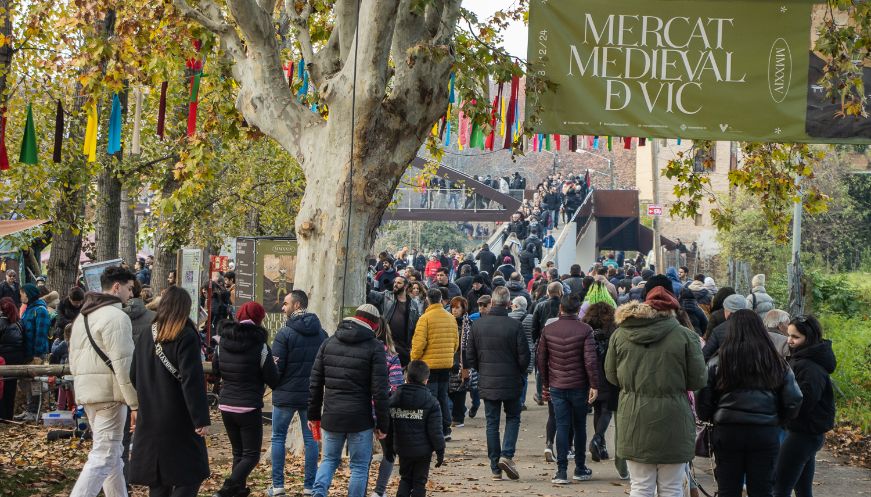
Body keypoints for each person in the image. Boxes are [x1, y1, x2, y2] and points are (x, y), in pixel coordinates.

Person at [605, 284, 706, 497]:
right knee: (672, 487)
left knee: (640, 486)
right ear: (672, 310)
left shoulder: (620, 335)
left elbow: (611, 376)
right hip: (674, 419)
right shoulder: (686, 337)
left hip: (633, 417)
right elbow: (698, 380)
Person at [696, 310, 803, 497]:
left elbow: (703, 398)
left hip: (727, 431)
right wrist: (779, 419)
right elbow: (794, 399)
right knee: (762, 489)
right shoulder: (776, 362)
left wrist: (712, 416)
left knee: (728, 489)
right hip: (765, 432)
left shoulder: (718, 361)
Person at [129, 286, 210, 497]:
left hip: (150, 415)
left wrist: (149, 394)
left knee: (158, 478)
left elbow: (133, 374)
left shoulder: (147, 333)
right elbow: (192, 380)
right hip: (179, 416)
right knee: (191, 472)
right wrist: (200, 418)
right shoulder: (186, 334)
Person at [68, 266, 139, 497]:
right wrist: (135, 403)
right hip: (109, 396)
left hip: (88, 393)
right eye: (129, 289)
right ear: (116, 287)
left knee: (112, 455)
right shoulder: (117, 317)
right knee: (104, 456)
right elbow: (123, 364)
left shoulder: (83, 317)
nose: (131, 294)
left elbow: (74, 359)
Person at [308, 304, 390, 497]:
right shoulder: (375, 348)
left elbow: (315, 383)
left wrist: (313, 415)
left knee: (328, 460)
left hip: (331, 415)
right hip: (360, 419)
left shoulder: (328, 343)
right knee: (359, 467)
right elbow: (380, 391)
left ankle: (318, 494)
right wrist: (382, 424)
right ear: (375, 326)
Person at [211, 302, 280, 497]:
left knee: (238, 453)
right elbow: (273, 379)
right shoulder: (261, 346)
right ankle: (227, 489)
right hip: (248, 406)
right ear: (259, 319)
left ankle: (238, 491)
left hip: (226, 404)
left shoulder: (221, 342)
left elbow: (216, 371)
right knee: (251, 455)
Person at [465, 287, 530, 481]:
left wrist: (482, 369)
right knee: (513, 417)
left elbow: (470, 356)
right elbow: (524, 357)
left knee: (492, 423)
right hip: (511, 380)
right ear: (508, 304)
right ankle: (507, 455)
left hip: (488, 379)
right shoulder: (515, 326)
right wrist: (518, 371)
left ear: (492, 303)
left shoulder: (477, 326)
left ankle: (495, 466)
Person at [269, 290, 328, 497]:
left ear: (297, 305)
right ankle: (309, 486)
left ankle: (277, 486)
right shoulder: (322, 333)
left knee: (278, 438)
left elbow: (276, 367)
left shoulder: (284, 333)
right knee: (311, 440)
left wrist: (273, 385)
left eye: (285, 304)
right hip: (311, 397)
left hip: (285, 395)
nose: (282, 307)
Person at [537, 294, 599, 484]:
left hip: (557, 384)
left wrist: (546, 383)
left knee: (562, 426)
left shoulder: (549, 329)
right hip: (579, 385)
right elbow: (590, 360)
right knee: (580, 426)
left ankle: (561, 470)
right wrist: (594, 384)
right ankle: (580, 467)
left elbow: (541, 359)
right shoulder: (585, 330)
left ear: (560, 309)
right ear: (578, 309)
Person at [773, 315, 837, 497]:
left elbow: (804, 401)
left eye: (795, 337)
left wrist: (780, 410)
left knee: (779, 487)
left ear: (808, 338)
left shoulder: (810, 367)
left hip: (803, 434)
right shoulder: (803, 359)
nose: (789, 340)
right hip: (806, 433)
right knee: (802, 490)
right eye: (789, 335)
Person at [389, 360, 446, 497]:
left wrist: (389, 446)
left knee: (405, 478)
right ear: (426, 380)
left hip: (402, 447)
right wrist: (440, 450)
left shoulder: (396, 397)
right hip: (423, 450)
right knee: (419, 482)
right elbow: (435, 431)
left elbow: (388, 421)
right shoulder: (431, 401)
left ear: (406, 377)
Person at [582, 302, 626, 477]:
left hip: (591, 374)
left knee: (598, 409)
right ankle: (598, 439)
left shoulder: (587, 329)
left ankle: (600, 446)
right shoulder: (613, 332)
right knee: (607, 409)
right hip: (608, 374)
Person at [411, 288, 459, 441]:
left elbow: (419, 344)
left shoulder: (425, 318)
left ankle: (434, 428)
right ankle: (446, 428)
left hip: (429, 365)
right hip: (446, 363)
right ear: (441, 300)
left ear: (427, 300)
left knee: (431, 398)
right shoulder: (450, 317)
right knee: (443, 396)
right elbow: (455, 343)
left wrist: (414, 359)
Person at [371, 316, 405, 497]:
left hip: (359, 410)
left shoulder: (361, 352)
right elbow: (396, 387)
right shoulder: (391, 356)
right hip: (382, 410)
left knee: (361, 457)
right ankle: (379, 490)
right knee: (389, 453)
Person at [369, 276, 422, 367]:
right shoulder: (386, 296)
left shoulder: (413, 304)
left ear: (405, 286)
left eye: (399, 283)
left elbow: (416, 324)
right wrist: (366, 286)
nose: (395, 285)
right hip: (388, 342)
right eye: (395, 282)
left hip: (404, 346)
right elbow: (372, 294)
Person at [448, 297, 472, 427]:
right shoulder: (447, 321)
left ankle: (458, 417)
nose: (454, 310)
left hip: (463, 361)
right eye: (453, 307)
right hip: (449, 359)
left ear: (463, 309)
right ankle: (458, 412)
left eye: (457, 307)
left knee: (460, 390)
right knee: (449, 390)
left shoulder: (468, 324)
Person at [703, 294, 748, 361]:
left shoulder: (718, 330)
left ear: (727, 311)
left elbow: (705, 355)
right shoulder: (756, 326)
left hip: (726, 369)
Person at [0, 297, 25, 420]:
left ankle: (2, 415)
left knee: (2, 388)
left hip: (3, 358)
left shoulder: (1, 322)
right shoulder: (19, 322)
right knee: (10, 388)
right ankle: (8, 415)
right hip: (17, 358)